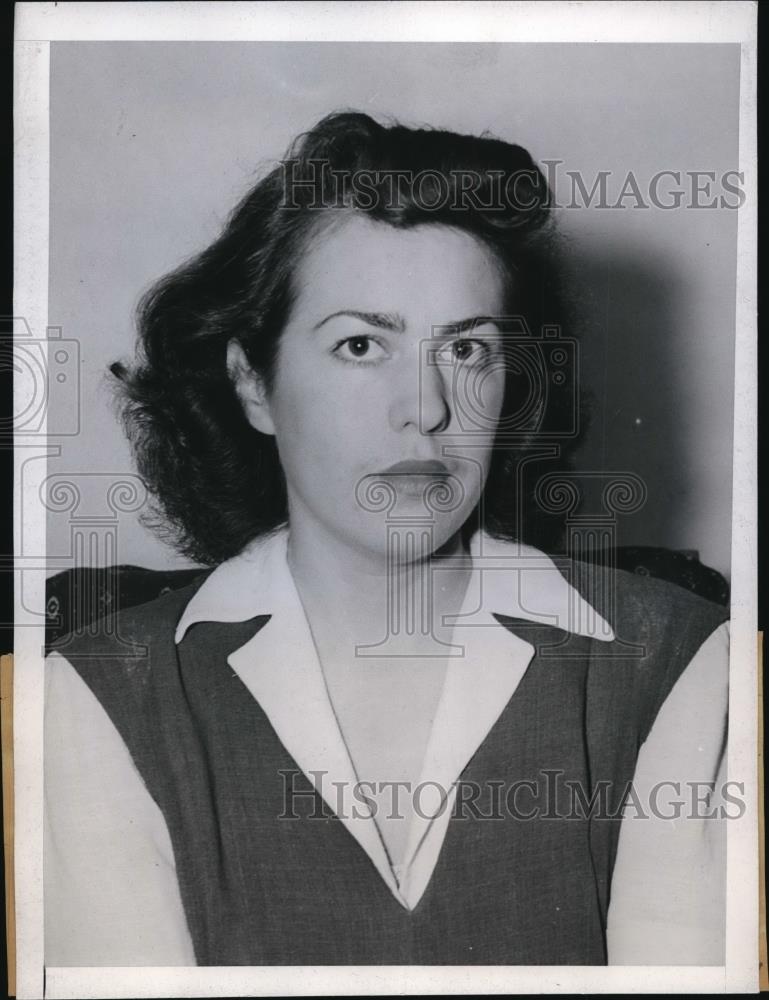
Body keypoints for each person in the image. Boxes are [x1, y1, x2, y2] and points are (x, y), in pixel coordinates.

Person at [44, 111, 730, 967]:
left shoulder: (674, 659)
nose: (428, 406)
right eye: (361, 344)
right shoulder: (103, 693)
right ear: (253, 383)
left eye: (468, 349)